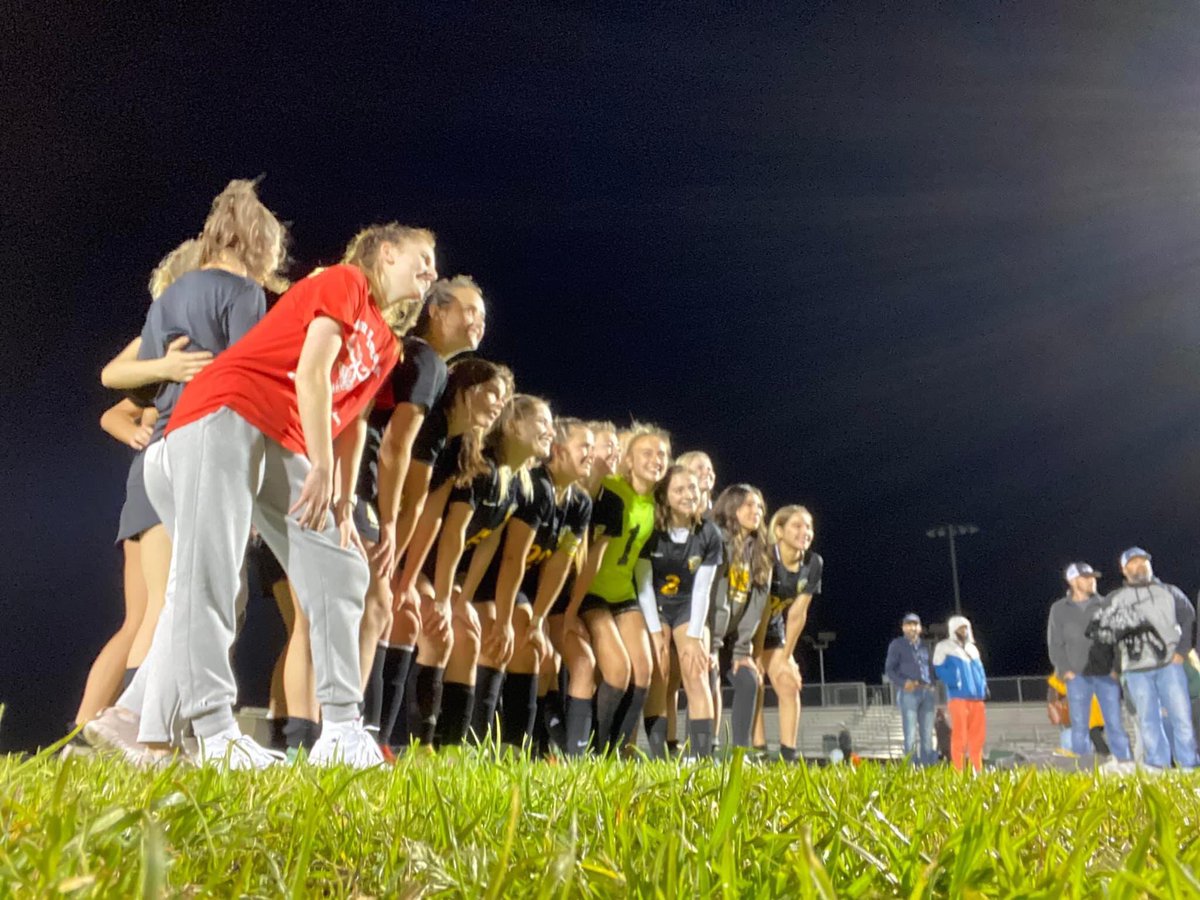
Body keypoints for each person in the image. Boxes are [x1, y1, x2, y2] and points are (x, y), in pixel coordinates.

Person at [132, 222, 434, 768]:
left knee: (343, 567)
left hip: (285, 439)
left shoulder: (387, 345)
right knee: (214, 574)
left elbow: (354, 424)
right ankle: (215, 731)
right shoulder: (347, 282)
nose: (431, 270)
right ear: (386, 253)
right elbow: (312, 372)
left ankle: (342, 727)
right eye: (423, 256)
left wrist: (342, 499)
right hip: (225, 409)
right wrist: (319, 464)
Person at [353, 276, 487, 736]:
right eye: (468, 311)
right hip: (360, 494)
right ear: (436, 311)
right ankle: (357, 734)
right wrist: (395, 554)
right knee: (373, 611)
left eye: (483, 316)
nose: (478, 323)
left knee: (362, 614)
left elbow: (430, 512)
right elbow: (401, 468)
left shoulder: (426, 369)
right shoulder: (425, 365)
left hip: (353, 490)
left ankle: (361, 737)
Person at [563, 426, 670, 753]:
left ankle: (619, 751)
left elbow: (641, 565)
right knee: (617, 670)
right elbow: (591, 554)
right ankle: (591, 748)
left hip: (624, 594)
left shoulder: (653, 504)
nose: (657, 460)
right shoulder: (612, 491)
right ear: (629, 460)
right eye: (647, 453)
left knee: (645, 671)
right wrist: (572, 608)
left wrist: (654, 627)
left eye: (662, 454)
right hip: (593, 592)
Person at [635, 464, 722, 758]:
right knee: (659, 671)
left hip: (687, 606)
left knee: (696, 671)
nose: (688, 495)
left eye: (693, 489)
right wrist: (656, 633)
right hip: (656, 605)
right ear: (665, 496)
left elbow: (701, 590)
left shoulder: (709, 533)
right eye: (679, 489)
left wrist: (696, 636)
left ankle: (702, 757)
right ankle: (661, 756)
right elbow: (644, 584)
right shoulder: (651, 530)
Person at [1090, 547, 1197, 770]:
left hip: (1169, 665)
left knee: (1181, 718)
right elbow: (1100, 633)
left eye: (1142, 563)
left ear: (1150, 565)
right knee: (1148, 721)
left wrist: (1182, 650)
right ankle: (1159, 767)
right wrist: (1113, 665)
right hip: (1135, 670)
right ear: (1124, 570)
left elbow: (1188, 617)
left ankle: (1189, 766)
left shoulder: (1169, 591)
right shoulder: (1114, 599)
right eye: (1132, 564)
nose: (1138, 567)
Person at [751, 504, 822, 762]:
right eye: (797, 525)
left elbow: (797, 614)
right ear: (779, 531)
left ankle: (787, 757)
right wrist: (756, 653)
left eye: (809, 526)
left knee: (789, 682)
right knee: (753, 680)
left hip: (774, 626)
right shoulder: (765, 557)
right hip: (749, 626)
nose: (805, 531)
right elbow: (757, 610)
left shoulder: (813, 563)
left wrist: (787, 656)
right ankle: (757, 750)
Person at [1046, 562, 1131, 760]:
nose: (1092, 581)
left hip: (1106, 674)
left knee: (1115, 724)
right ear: (1073, 581)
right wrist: (1065, 670)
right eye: (1087, 577)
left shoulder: (1105, 605)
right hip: (1077, 677)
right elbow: (1055, 644)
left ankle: (1124, 764)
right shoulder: (1059, 609)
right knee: (1079, 727)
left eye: (1093, 577)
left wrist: (1116, 668)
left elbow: (1118, 639)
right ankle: (1083, 769)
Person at [709, 484, 772, 751]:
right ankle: (702, 750)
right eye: (748, 505)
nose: (755, 511)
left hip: (735, 637)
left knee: (749, 680)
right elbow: (714, 594)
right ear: (731, 508)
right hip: (707, 629)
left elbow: (756, 607)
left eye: (759, 506)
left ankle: (739, 751)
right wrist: (711, 644)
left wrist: (742, 650)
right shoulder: (718, 540)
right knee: (707, 678)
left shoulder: (761, 551)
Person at [933, 615, 987, 772]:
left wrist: (983, 686)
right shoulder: (944, 647)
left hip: (977, 699)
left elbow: (980, 670)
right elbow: (938, 668)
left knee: (977, 738)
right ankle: (959, 771)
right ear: (953, 629)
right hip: (958, 698)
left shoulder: (973, 648)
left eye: (965, 627)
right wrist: (953, 680)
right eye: (960, 628)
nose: (963, 631)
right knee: (960, 737)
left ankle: (978, 770)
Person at [884, 613, 935, 765]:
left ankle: (927, 768)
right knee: (910, 734)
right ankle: (911, 768)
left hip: (927, 692)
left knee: (927, 734)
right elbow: (890, 670)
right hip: (909, 692)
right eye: (909, 624)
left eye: (915, 624)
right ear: (903, 628)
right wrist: (903, 682)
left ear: (920, 628)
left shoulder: (925, 646)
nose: (913, 628)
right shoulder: (897, 645)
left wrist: (932, 683)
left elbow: (930, 667)